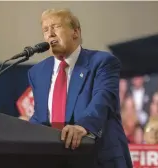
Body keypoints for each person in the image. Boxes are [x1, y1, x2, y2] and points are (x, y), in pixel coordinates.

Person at [28, 8, 132, 168]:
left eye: (55, 27)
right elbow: (41, 115)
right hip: (55, 160)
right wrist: (23, 131)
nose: (50, 34)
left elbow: (103, 101)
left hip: (98, 158)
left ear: (75, 32)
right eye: (45, 30)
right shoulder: (37, 72)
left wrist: (83, 126)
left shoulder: (102, 62)